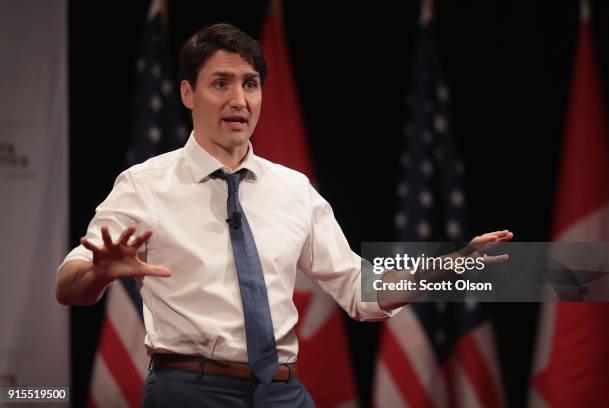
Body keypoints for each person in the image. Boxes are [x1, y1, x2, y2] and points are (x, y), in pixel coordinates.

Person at [56, 23, 512, 407]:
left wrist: (443, 268)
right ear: (187, 93)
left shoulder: (293, 190)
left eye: (250, 83)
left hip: (281, 392)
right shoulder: (145, 184)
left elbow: (357, 288)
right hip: (189, 390)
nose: (239, 99)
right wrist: (97, 273)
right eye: (221, 84)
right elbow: (68, 283)